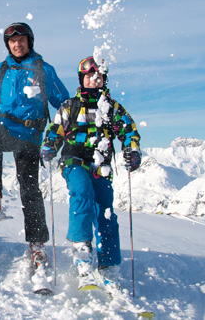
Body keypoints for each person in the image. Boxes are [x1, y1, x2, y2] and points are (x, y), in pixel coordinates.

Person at [40, 56, 141, 290]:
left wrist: (132, 150)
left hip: (101, 165)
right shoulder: (70, 106)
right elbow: (55, 130)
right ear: (81, 79)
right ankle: (82, 251)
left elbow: (128, 130)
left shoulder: (111, 108)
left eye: (98, 76)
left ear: (104, 79)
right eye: (88, 76)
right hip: (73, 160)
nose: (93, 80)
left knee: (105, 209)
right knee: (82, 192)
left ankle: (108, 265)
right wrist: (50, 146)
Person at [0, 22, 69, 267]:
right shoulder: (1, 69)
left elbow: (65, 103)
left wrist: (76, 119)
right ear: (8, 45)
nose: (17, 45)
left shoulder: (43, 69)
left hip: (29, 137)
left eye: (21, 40)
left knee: (29, 188)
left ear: (29, 42)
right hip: (3, 129)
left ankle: (37, 246)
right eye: (12, 42)